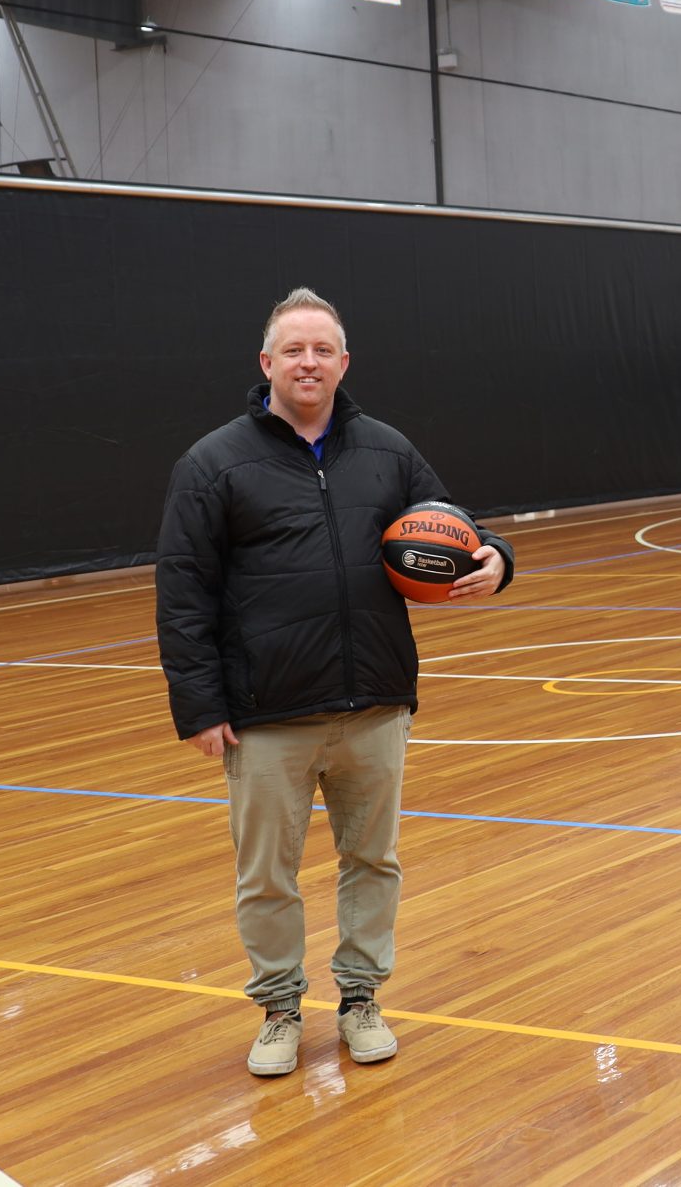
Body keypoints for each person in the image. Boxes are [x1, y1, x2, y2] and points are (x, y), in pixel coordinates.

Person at [156, 288, 514, 1078]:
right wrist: (200, 703)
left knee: (373, 860)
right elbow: (184, 589)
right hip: (265, 713)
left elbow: (454, 522)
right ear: (267, 363)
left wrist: (495, 558)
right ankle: (280, 1007)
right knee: (265, 875)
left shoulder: (386, 448)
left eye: (323, 350)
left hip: (376, 702)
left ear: (344, 362)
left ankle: (361, 1000)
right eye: (294, 350)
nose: (308, 362)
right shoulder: (213, 463)